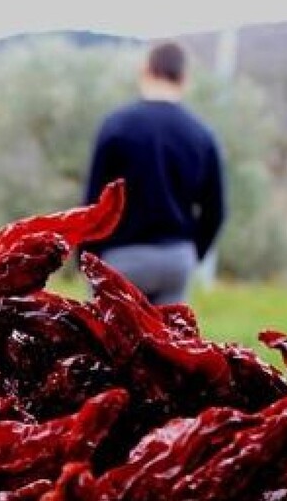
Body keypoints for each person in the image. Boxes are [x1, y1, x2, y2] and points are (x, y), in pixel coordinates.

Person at [82, 40, 225, 305]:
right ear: (184, 78)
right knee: (166, 332)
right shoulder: (201, 134)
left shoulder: (116, 125)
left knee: (111, 332)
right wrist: (192, 253)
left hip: (121, 259)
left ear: (145, 70)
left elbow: (93, 204)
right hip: (175, 259)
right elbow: (215, 211)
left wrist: (87, 257)